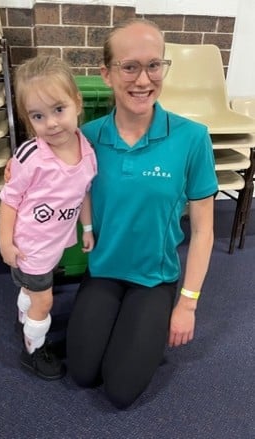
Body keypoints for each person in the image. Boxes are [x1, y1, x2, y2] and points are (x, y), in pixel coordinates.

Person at [65, 18, 218, 409]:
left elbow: (203, 232)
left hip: (155, 278)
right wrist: (17, 170)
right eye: (129, 66)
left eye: (154, 65)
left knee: (119, 392)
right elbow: (43, 175)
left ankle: (144, 318)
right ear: (106, 74)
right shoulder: (87, 138)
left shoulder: (192, 138)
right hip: (102, 271)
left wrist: (187, 303)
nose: (143, 79)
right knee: (81, 374)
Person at [0, 55, 97, 381]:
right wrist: (4, 241)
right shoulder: (31, 156)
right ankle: (33, 350)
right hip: (30, 248)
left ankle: (23, 317)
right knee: (44, 299)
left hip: (54, 243)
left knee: (32, 293)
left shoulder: (87, 150)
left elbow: (83, 190)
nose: (52, 123)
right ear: (28, 119)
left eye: (59, 110)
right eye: (38, 116)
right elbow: (9, 199)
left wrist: (86, 226)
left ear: (77, 103)